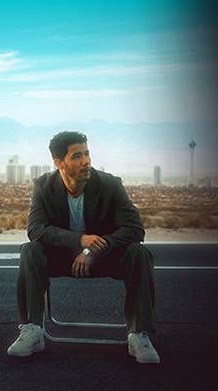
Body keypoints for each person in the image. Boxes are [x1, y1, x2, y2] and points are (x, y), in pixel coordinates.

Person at [8, 131, 159, 364]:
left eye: (87, 154)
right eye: (77, 156)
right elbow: (36, 229)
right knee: (30, 250)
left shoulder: (110, 184)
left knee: (138, 253)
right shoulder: (44, 186)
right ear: (59, 163)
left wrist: (93, 248)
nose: (86, 161)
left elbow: (134, 229)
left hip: (103, 256)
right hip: (61, 259)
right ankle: (32, 330)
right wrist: (79, 240)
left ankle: (139, 334)